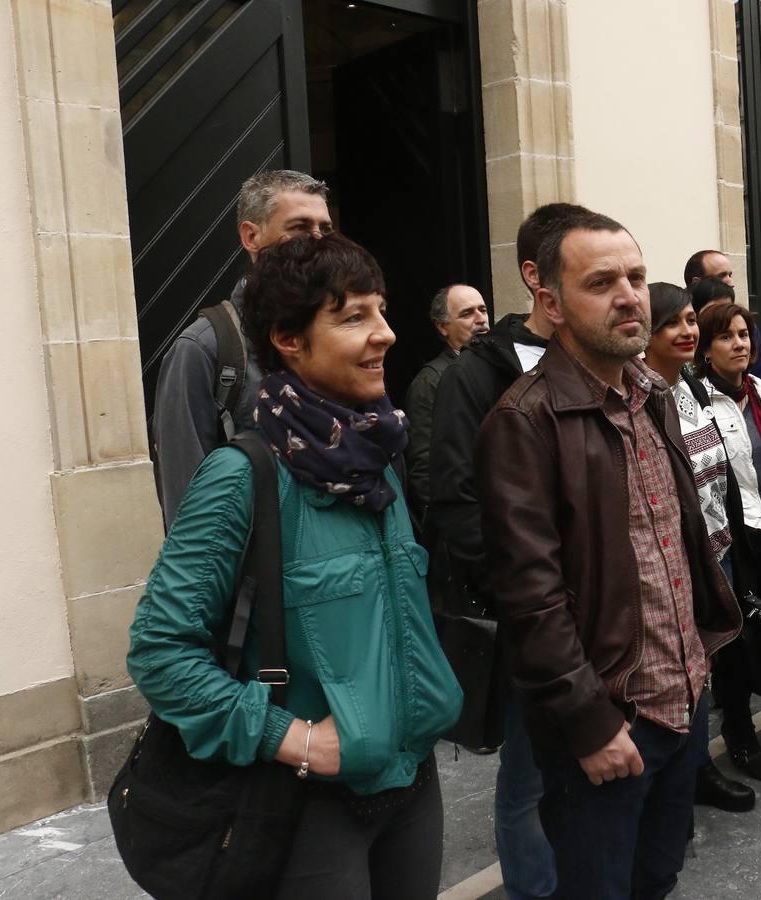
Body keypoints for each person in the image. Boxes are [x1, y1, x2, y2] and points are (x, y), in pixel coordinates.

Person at [127, 233, 463, 897]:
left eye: (382, 310)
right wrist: (294, 739)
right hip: (308, 804)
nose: (386, 334)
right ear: (289, 339)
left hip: (413, 780)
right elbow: (160, 653)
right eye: (354, 317)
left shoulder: (374, 455)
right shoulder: (241, 476)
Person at [478, 209, 742, 899]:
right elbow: (530, 597)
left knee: (657, 877)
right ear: (551, 303)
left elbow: (677, 546)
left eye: (634, 275)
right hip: (609, 723)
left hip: (682, 703)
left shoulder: (652, 396)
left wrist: (703, 660)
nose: (629, 294)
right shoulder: (524, 420)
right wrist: (591, 724)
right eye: (601, 282)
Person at [427, 203, 584, 900]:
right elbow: (457, 498)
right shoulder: (475, 375)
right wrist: (514, 598)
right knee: (529, 778)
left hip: (602, 610)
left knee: (597, 767)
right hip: (531, 615)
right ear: (538, 278)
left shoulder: (599, 360)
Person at [152, 169, 333, 527]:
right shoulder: (203, 349)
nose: (317, 240)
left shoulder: (342, 334)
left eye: (325, 229)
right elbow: (188, 513)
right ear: (251, 236)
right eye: (299, 227)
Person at [643, 283, 756, 814]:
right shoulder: (639, 397)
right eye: (674, 324)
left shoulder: (687, 389)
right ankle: (685, 776)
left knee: (709, 663)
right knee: (682, 672)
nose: (688, 331)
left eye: (691, 320)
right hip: (673, 562)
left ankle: (697, 768)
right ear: (646, 333)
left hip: (717, 550)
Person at [694, 301, 761, 785]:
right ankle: (740, 731)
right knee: (734, 640)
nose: (740, 344)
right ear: (707, 348)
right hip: (731, 538)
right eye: (727, 336)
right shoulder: (697, 403)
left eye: (745, 334)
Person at [404, 284, 488, 516]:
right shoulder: (430, 381)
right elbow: (423, 467)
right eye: (467, 313)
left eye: (483, 310)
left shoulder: (497, 368)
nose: (480, 319)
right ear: (442, 327)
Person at [685, 249, 761, 379]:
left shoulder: (746, 324)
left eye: (730, 275)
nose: (731, 283)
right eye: (721, 276)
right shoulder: (684, 331)